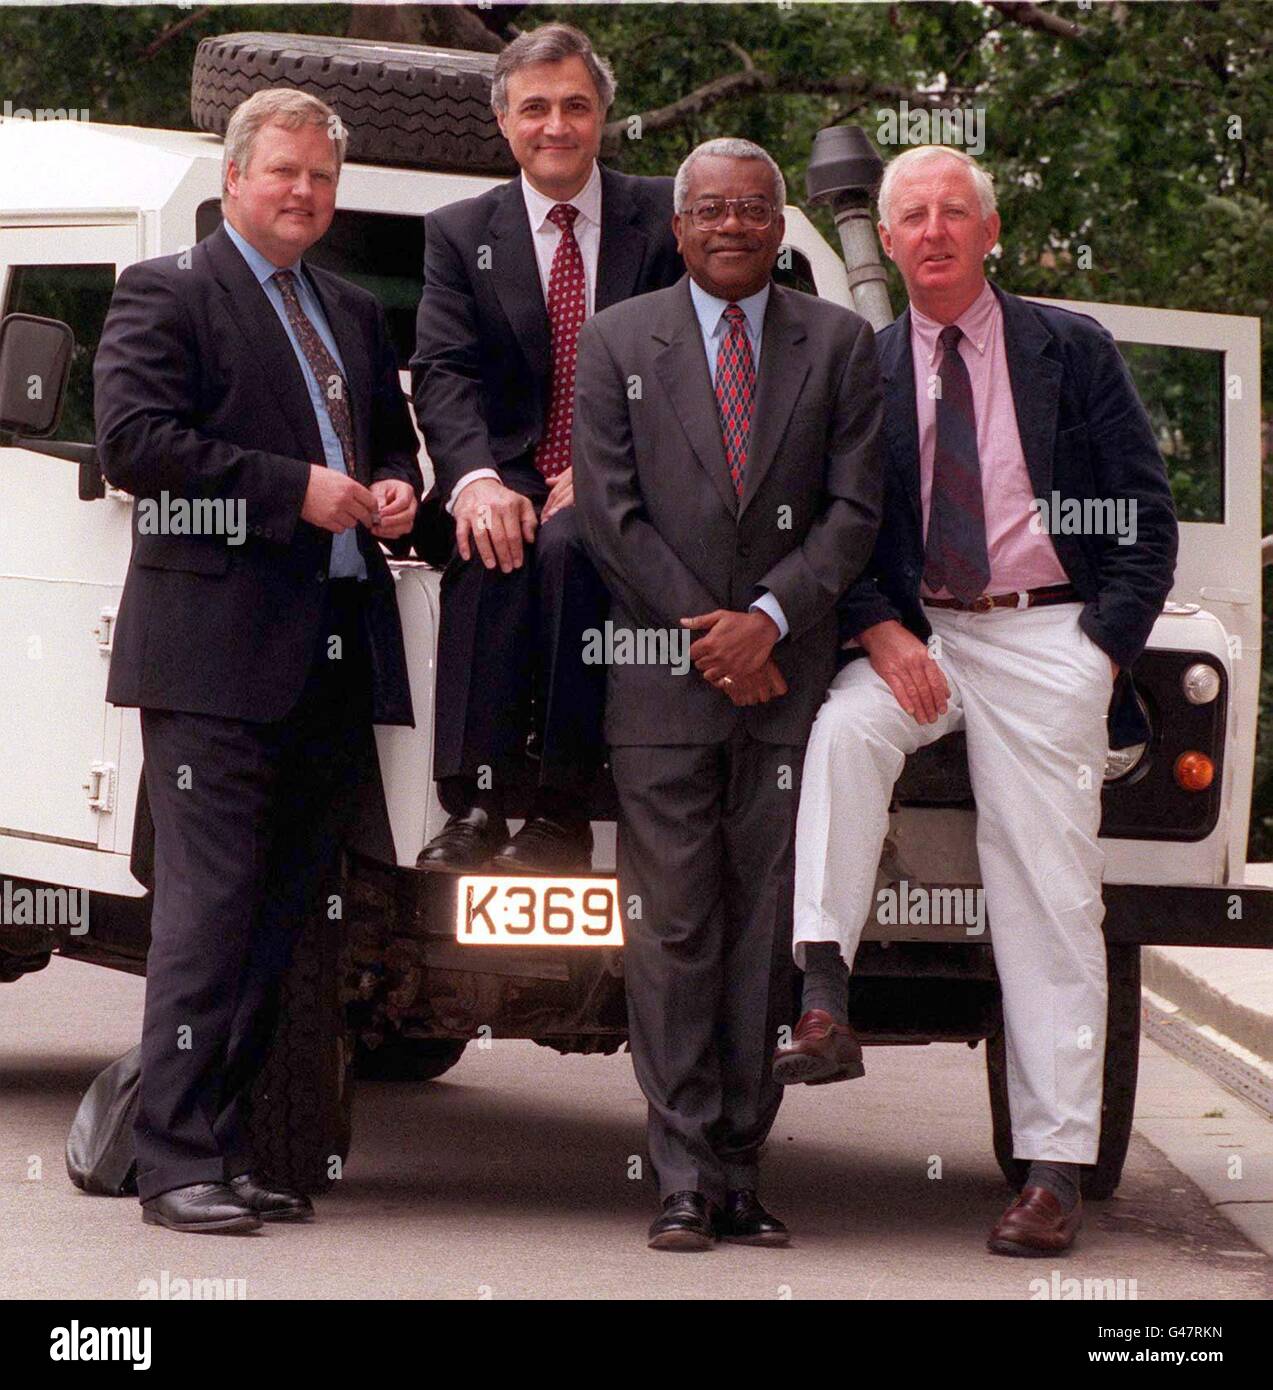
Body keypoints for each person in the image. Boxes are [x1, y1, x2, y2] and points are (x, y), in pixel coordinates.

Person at [773, 144, 1177, 1256]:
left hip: (1048, 627)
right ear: (888, 239)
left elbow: (1146, 517)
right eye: (913, 214)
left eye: (957, 212)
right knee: (847, 728)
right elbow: (837, 525)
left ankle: (1053, 1170)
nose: (936, 229)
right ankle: (820, 991)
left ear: (990, 234)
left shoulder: (1070, 349)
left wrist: (1100, 651)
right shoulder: (863, 363)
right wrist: (880, 625)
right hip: (925, 628)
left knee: (1047, 891)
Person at [94, 88, 421, 1233]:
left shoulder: (350, 309)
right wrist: (297, 490)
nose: (303, 192)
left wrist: (392, 490)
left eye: (321, 178)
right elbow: (135, 443)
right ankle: (171, 1157)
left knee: (282, 922)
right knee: (208, 915)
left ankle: (222, 1149)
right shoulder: (166, 293)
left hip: (331, 659)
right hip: (211, 662)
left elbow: (383, 438)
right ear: (233, 178)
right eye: (283, 171)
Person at [574, 137, 884, 1250]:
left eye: (753, 208)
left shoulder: (842, 346)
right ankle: (678, 1177)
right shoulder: (616, 341)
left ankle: (742, 1174)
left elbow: (855, 514)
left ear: (779, 221)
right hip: (661, 683)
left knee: (763, 930)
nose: (732, 226)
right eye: (710, 209)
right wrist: (712, 631)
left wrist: (771, 621)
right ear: (678, 225)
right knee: (673, 928)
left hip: (786, 681)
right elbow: (609, 515)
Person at [410, 23, 683, 875]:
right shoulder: (459, 232)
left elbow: (698, 358)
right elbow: (443, 371)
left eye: (574, 105)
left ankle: (561, 812)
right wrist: (476, 482)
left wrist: (606, 469)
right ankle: (478, 806)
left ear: (603, 113)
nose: (555, 126)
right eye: (534, 108)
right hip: (515, 467)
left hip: (638, 469)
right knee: (486, 541)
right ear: (503, 121)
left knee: (569, 546)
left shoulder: (667, 215)